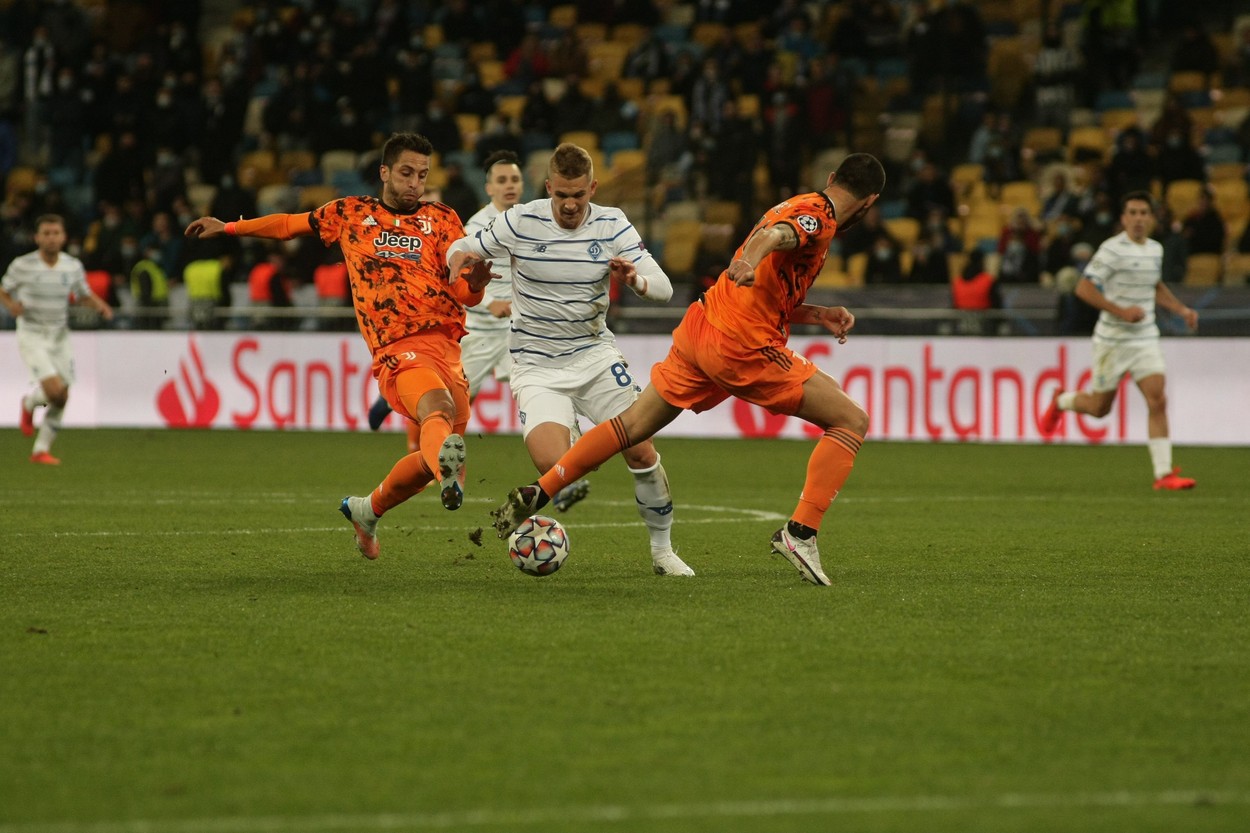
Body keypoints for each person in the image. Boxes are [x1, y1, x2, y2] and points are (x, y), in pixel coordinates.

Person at [490, 153, 887, 586]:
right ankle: (801, 532)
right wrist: (748, 260)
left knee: (632, 426)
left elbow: (772, 291)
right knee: (851, 420)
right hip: (742, 345)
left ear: (831, 177)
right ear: (869, 203)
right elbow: (776, 236)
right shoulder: (820, 218)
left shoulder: (797, 201)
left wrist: (819, 313)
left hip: (702, 327)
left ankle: (542, 488)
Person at [185, 132, 493, 559]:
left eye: (422, 175)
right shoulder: (351, 213)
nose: (414, 184)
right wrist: (231, 227)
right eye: (406, 173)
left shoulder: (442, 219)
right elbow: (289, 225)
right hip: (396, 346)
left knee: (426, 461)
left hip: (447, 347)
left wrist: (475, 287)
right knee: (435, 412)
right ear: (384, 172)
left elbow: (462, 292)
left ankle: (367, 511)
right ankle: (450, 477)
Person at [453, 143, 695, 578]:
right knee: (553, 467)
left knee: (641, 451)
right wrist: (466, 268)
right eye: (560, 194)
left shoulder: (612, 223)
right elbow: (461, 246)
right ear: (548, 187)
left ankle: (663, 552)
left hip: (595, 357)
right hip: (536, 366)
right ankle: (580, 436)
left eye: (578, 195)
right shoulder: (520, 220)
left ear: (593, 188)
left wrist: (634, 278)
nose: (569, 204)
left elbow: (664, 288)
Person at [365, 150, 594, 513]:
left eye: (515, 180)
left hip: (522, 332)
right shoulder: (476, 226)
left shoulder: (533, 218)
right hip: (483, 333)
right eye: (501, 181)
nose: (509, 186)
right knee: (443, 403)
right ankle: (419, 448)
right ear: (488, 187)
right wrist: (489, 305)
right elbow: (456, 277)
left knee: (552, 390)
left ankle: (564, 474)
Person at [1040, 191, 1199, 490]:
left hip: (1145, 337)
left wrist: (1180, 309)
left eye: (1143, 213)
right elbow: (1083, 289)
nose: (1138, 219)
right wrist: (1120, 311)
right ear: (1123, 219)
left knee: (1158, 398)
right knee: (1100, 409)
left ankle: (1164, 475)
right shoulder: (1111, 250)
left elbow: (1154, 286)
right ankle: (1061, 401)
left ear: (1151, 218)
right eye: (1133, 213)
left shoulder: (1155, 249)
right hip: (1112, 340)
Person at [1, 214, 114, 465]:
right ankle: (30, 403)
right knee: (53, 390)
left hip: (60, 335)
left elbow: (82, 294)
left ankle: (40, 449)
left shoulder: (71, 266)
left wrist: (101, 306)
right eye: (46, 233)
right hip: (32, 333)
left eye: (56, 233)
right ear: (37, 237)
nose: (51, 238)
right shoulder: (23, 265)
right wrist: (10, 305)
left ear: (63, 237)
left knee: (62, 396)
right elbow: (3, 289)